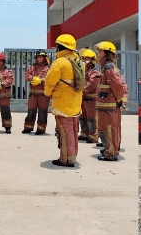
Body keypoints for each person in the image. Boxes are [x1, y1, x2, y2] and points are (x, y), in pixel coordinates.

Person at [44, 35, 84, 167]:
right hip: (76, 102)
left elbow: (49, 81)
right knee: (73, 130)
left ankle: (66, 159)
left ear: (61, 47)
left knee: (64, 131)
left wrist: (47, 93)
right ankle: (72, 156)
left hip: (62, 102)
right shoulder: (79, 61)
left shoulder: (60, 62)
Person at [94, 41, 128, 161]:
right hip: (104, 105)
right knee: (105, 129)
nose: (98, 54)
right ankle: (108, 148)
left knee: (109, 129)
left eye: (100, 52)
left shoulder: (109, 67)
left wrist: (119, 99)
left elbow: (118, 85)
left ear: (107, 54)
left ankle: (111, 153)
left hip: (108, 105)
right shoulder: (107, 67)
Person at [22, 51, 50, 135]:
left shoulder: (48, 69)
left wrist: (41, 80)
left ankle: (41, 129)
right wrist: (33, 78)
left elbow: (50, 79)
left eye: (40, 57)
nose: (39, 59)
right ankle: (28, 127)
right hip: (33, 94)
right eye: (37, 57)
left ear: (44, 58)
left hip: (43, 95)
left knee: (42, 112)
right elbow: (27, 76)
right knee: (31, 111)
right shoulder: (32, 67)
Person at [78, 49, 100, 144]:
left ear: (92, 60)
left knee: (91, 118)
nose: (84, 60)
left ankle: (93, 136)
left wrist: (80, 90)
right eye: (83, 58)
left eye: (86, 58)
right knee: (82, 117)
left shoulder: (94, 73)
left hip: (91, 100)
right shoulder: (81, 71)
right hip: (82, 99)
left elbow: (92, 84)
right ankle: (84, 133)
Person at [0, 53, 14, 133]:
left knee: (6, 112)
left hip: (5, 95)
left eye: (0, 61)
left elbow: (10, 80)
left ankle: (7, 127)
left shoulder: (8, 71)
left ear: (3, 62)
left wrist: (2, 84)